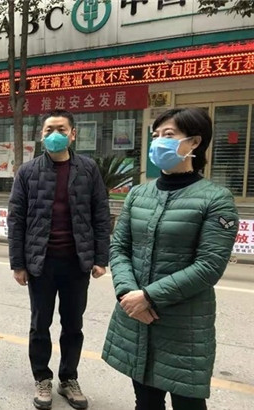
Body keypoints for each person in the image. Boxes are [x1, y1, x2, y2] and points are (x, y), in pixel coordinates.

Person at [102, 107, 238, 410]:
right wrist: (127, 294)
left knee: (188, 404)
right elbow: (119, 248)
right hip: (137, 316)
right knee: (145, 401)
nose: (159, 142)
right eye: (156, 136)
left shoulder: (216, 199)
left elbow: (209, 266)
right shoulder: (138, 194)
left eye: (169, 135)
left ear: (194, 142)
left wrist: (148, 297)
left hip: (184, 324)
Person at [8, 109, 110, 410]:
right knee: (40, 324)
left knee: (73, 324)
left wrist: (100, 257)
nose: (55, 134)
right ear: (42, 135)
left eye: (61, 129)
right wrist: (18, 263)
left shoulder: (87, 169)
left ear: (73, 134)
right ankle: (42, 377)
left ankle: (68, 378)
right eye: (49, 129)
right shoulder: (27, 172)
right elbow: (16, 219)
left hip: (76, 262)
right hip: (41, 262)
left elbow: (100, 214)